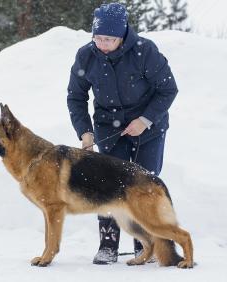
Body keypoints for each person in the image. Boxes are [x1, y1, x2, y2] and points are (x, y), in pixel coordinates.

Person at [67, 3, 178, 265]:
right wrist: (85, 132)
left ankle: (144, 244)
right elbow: (76, 96)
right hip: (109, 127)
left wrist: (145, 120)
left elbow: (168, 89)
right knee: (108, 185)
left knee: (143, 186)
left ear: (122, 35)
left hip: (148, 129)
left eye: (109, 39)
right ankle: (108, 245)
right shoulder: (86, 56)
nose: (102, 44)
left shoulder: (144, 51)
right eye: (98, 38)